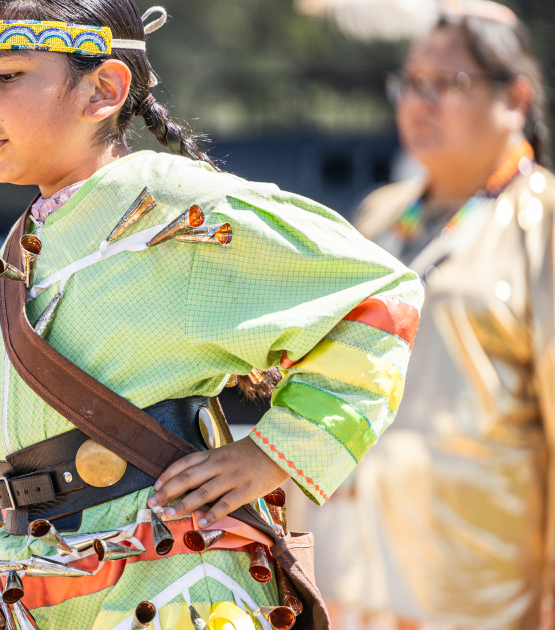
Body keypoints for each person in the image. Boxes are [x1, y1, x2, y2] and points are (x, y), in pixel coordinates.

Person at [0, 0, 424, 628]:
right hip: (39, 575)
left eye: (8, 76)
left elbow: (380, 295)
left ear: (104, 89)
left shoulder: (171, 207)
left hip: (166, 577)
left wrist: (275, 455)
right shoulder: (31, 235)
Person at [305, 2, 555, 628]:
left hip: (480, 588)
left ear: (516, 97)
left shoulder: (541, 222)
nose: (421, 101)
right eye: (411, 83)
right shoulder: (382, 217)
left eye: (449, 83)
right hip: (352, 573)